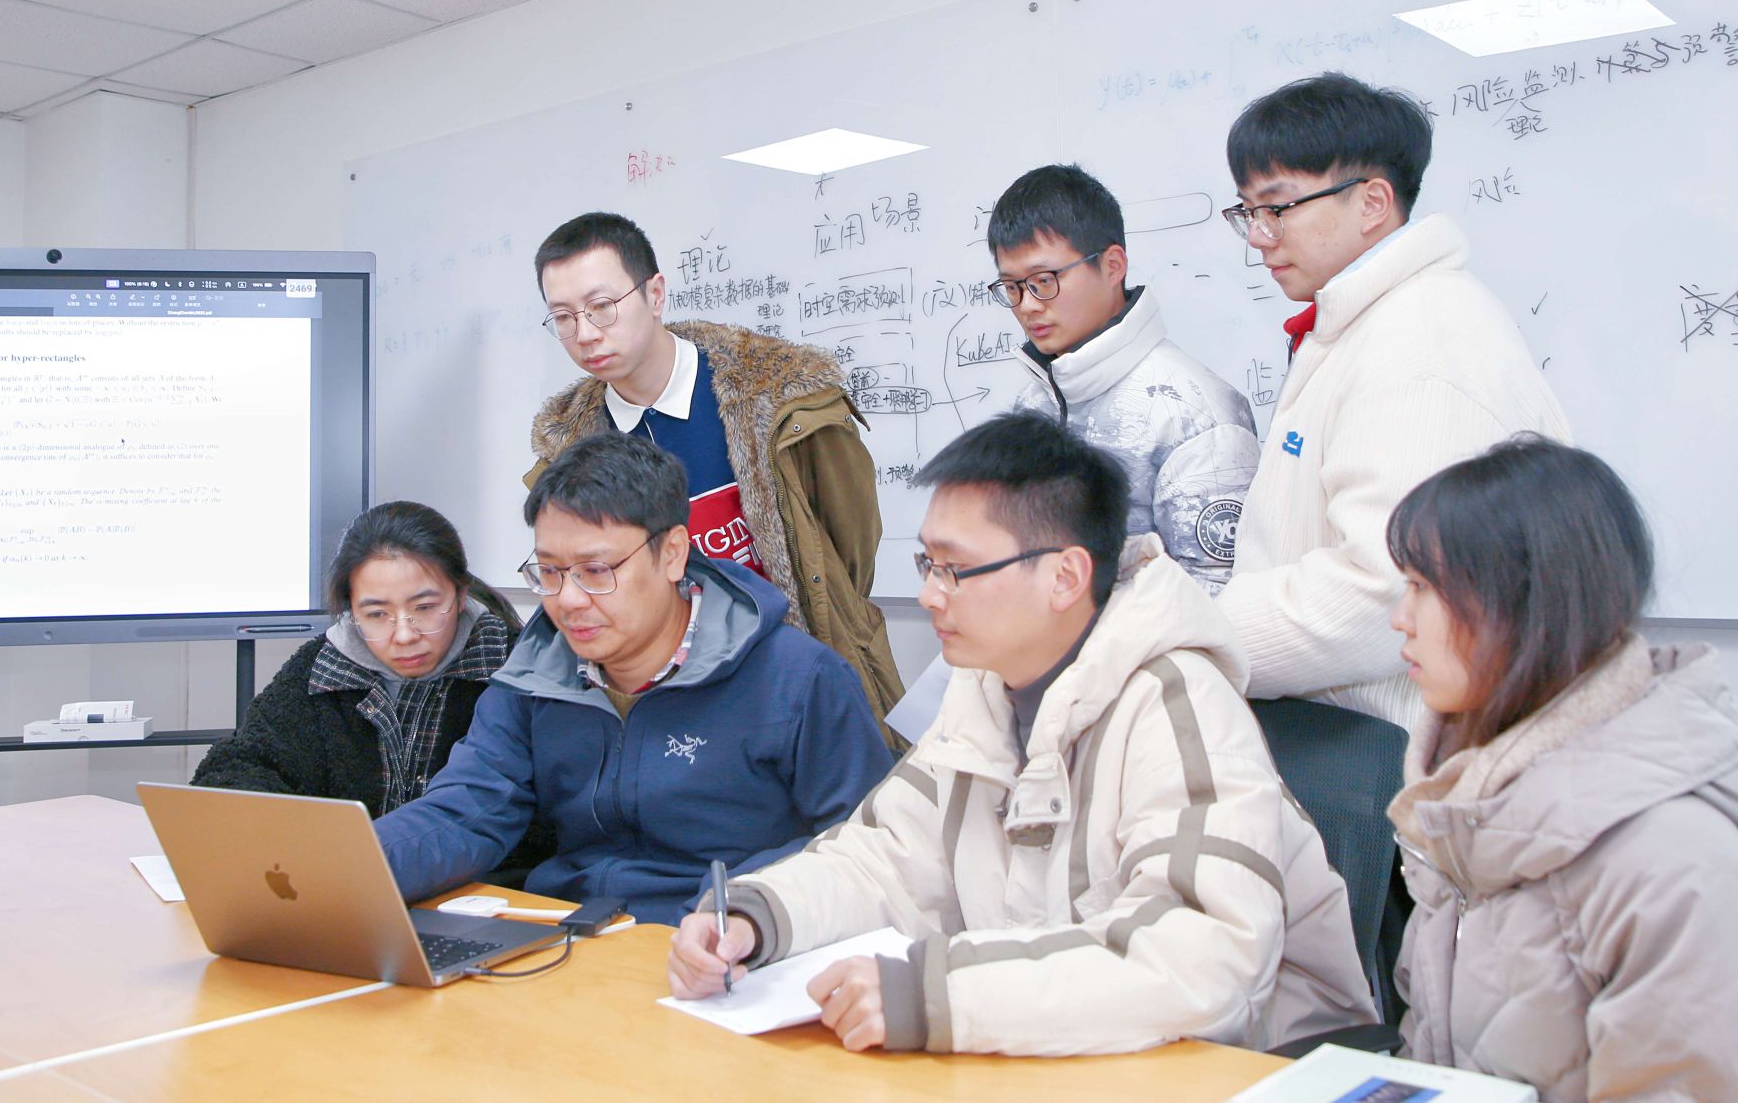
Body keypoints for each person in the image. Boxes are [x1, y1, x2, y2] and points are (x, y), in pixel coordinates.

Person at [666, 411, 1373, 1055]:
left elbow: (1200, 956)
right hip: (1064, 1053)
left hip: (1243, 1067)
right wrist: (756, 917)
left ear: (1065, 576)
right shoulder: (985, 689)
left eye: (956, 569)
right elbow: (886, 858)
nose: (929, 595)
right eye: (927, 564)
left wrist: (939, 996)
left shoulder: (1177, 701)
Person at [374, 431, 891, 925]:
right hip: (571, 938)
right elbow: (464, 812)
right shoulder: (534, 674)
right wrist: (349, 868)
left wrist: (742, 912)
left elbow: (861, 845)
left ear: (672, 554)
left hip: (724, 939)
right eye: (549, 572)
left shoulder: (799, 680)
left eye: (596, 571)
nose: (568, 600)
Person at [1384, 437, 1738, 1101]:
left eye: (1422, 587)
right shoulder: (1462, 806)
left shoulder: (1672, 863)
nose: (1400, 619)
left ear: (1525, 604)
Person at [1216, 72, 1568, 729]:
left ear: (1372, 202)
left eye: (1277, 208)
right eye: (1248, 213)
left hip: (1396, 757)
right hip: (1355, 741)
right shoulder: (1370, 322)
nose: (1259, 236)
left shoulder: (1421, 339)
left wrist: (1199, 633)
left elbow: (1383, 591)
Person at [526, 211, 903, 732]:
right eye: (564, 318)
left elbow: (849, 545)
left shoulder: (781, 400)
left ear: (654, 295)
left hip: (801, 682)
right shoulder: (569, 452)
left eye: (602, 307)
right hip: (670, 710)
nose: (585, 334)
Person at [193, 502, 540, 843]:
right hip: (343, 873)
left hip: (487, 878)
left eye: (425, 608)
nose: (404, 635)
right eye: (376, 614)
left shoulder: (516, 665)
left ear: (461, 595)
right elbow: (238, 768)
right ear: (351, 609)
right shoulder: (321, 667)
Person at [992, 164, 1257, 592]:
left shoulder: (1196, 416)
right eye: (1011, 287)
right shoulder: (1033, 403)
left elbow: (1216, 601)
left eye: (1044, 280)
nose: (1027, 305)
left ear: (1112, 266)